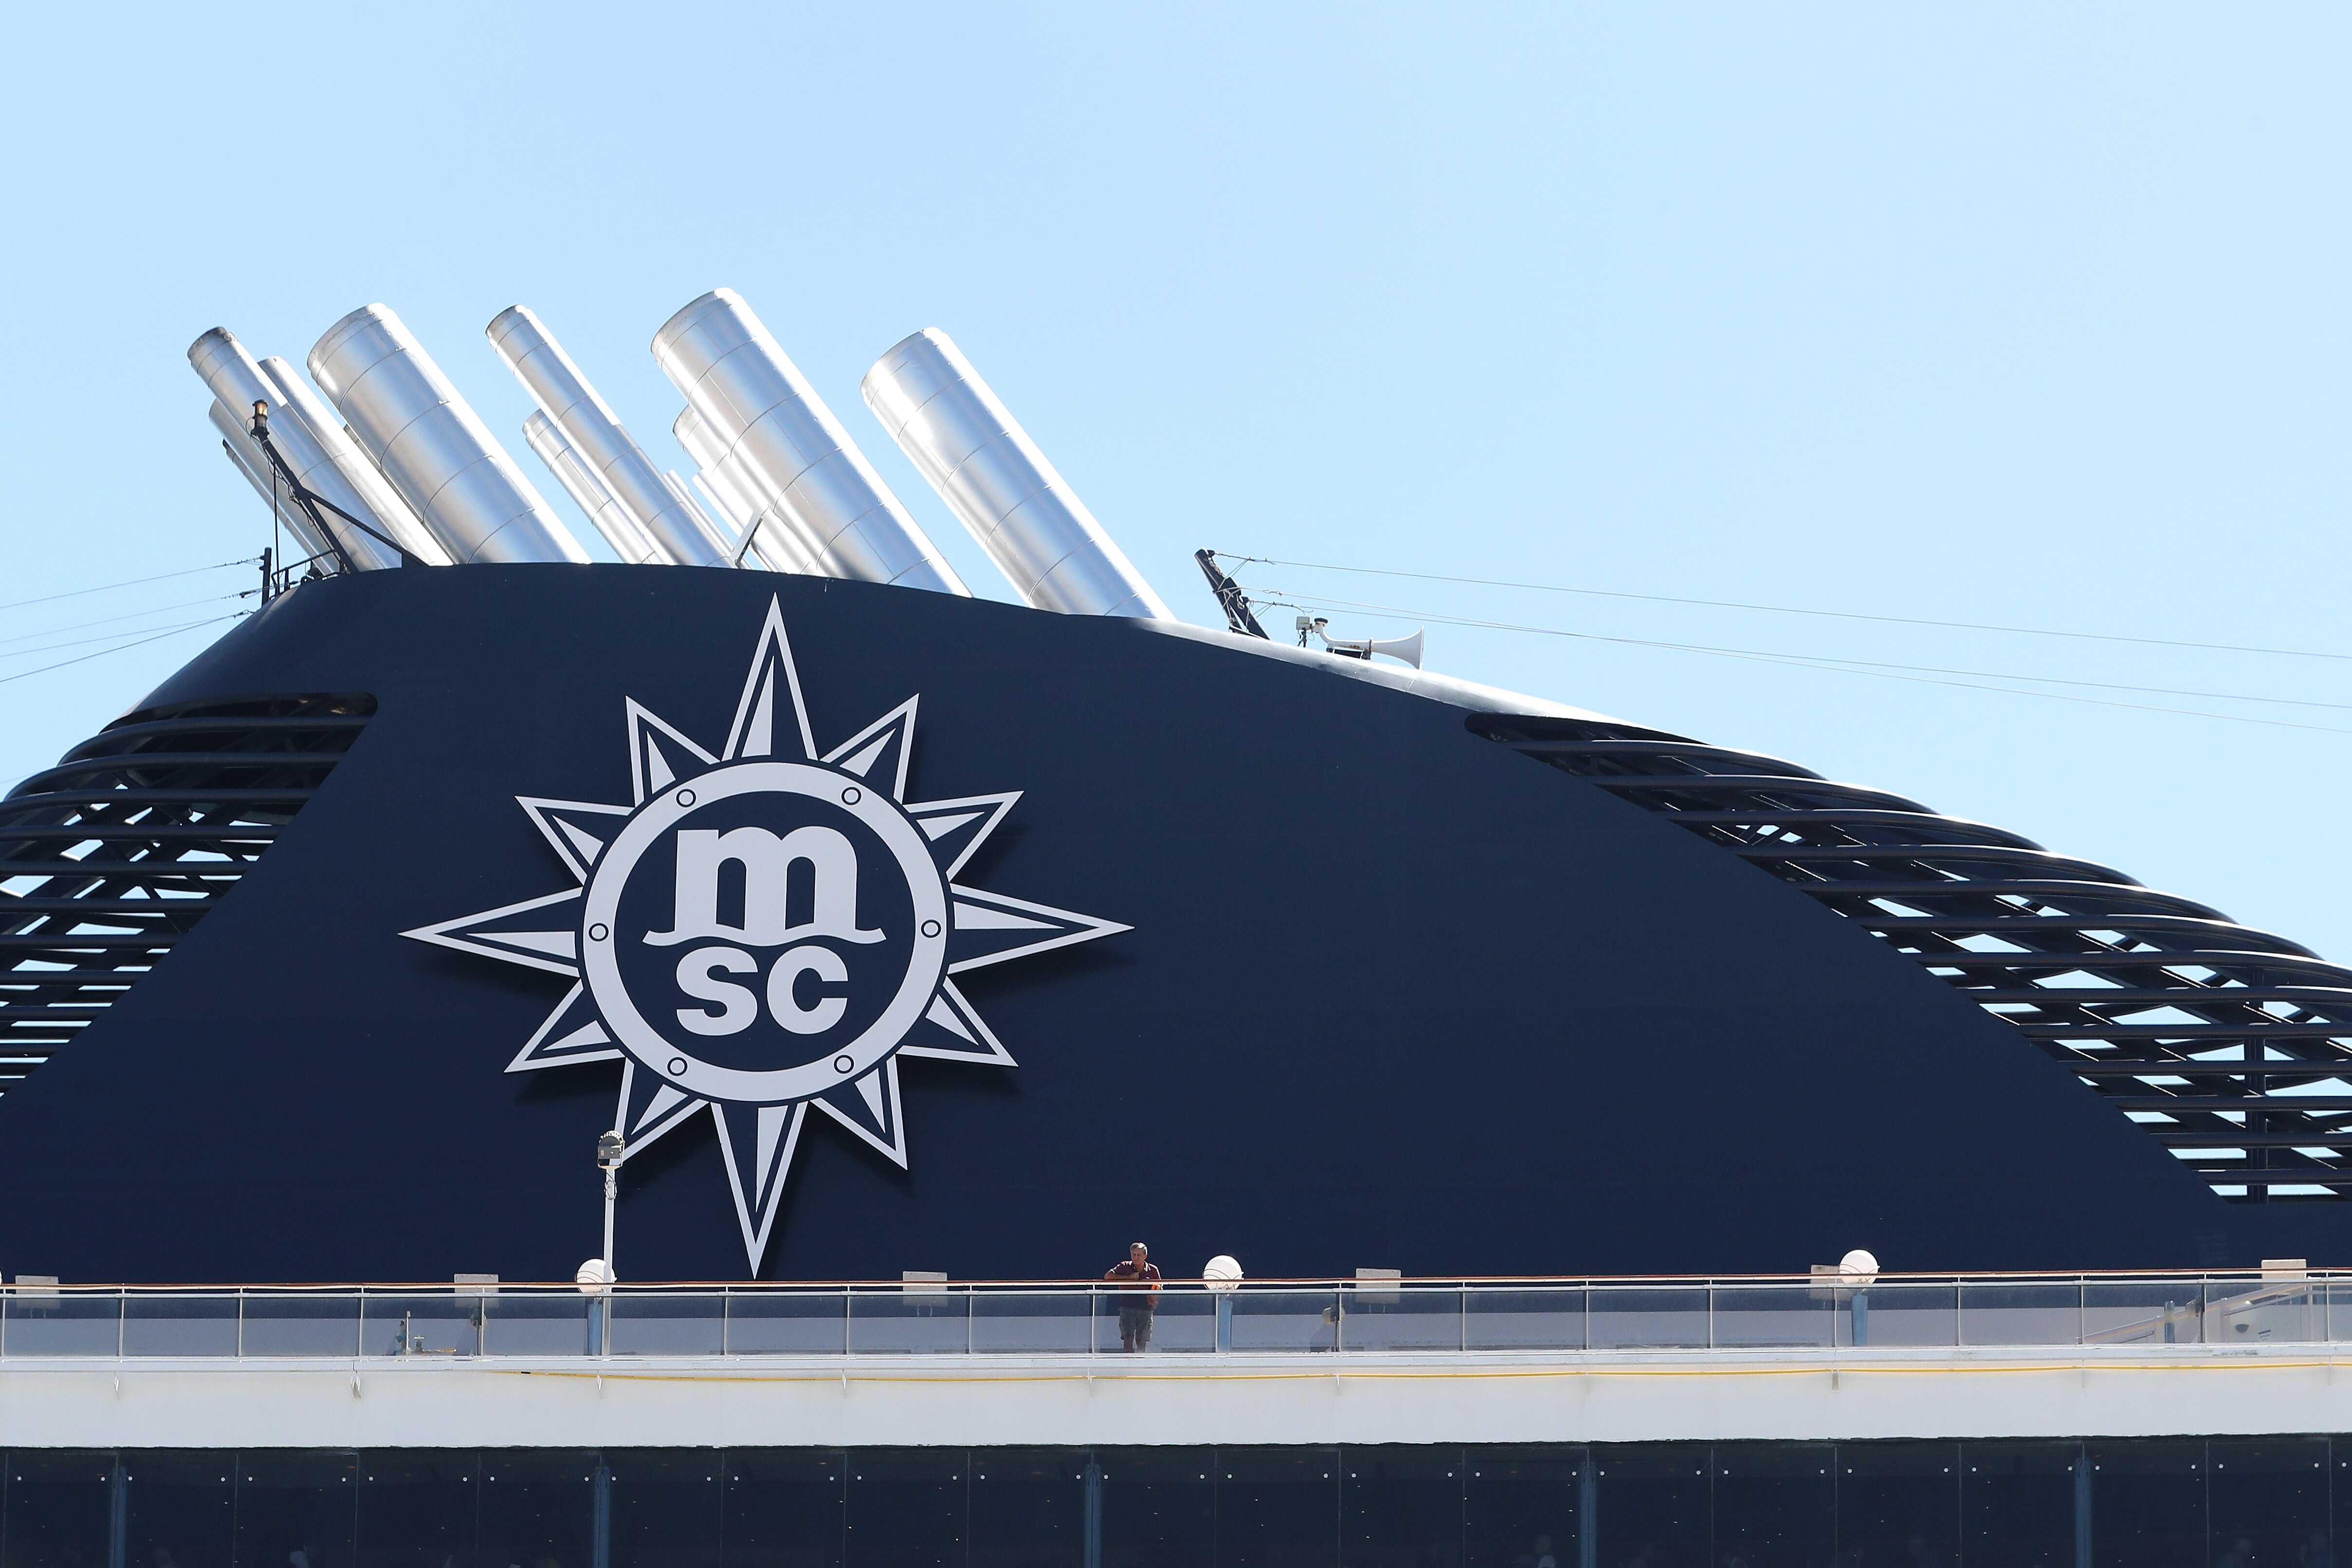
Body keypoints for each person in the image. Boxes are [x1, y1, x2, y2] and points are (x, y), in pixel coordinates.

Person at [1105, 1241, 1161, 1351]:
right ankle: (1128, 1363)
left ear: (1145, 1256)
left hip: (1146, 1309)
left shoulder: (1153, 1270)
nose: (1136, 1258)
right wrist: (1128, 1278)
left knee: (1142, 1341)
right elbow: (1108, 1276)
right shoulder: (1124, 1266)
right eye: (1133, 1255)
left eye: (1139, 1255)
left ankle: (1140, 1365)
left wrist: (1153, 1295)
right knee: (1128, 1338)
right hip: (1127, 1308)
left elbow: (1159, 1286)